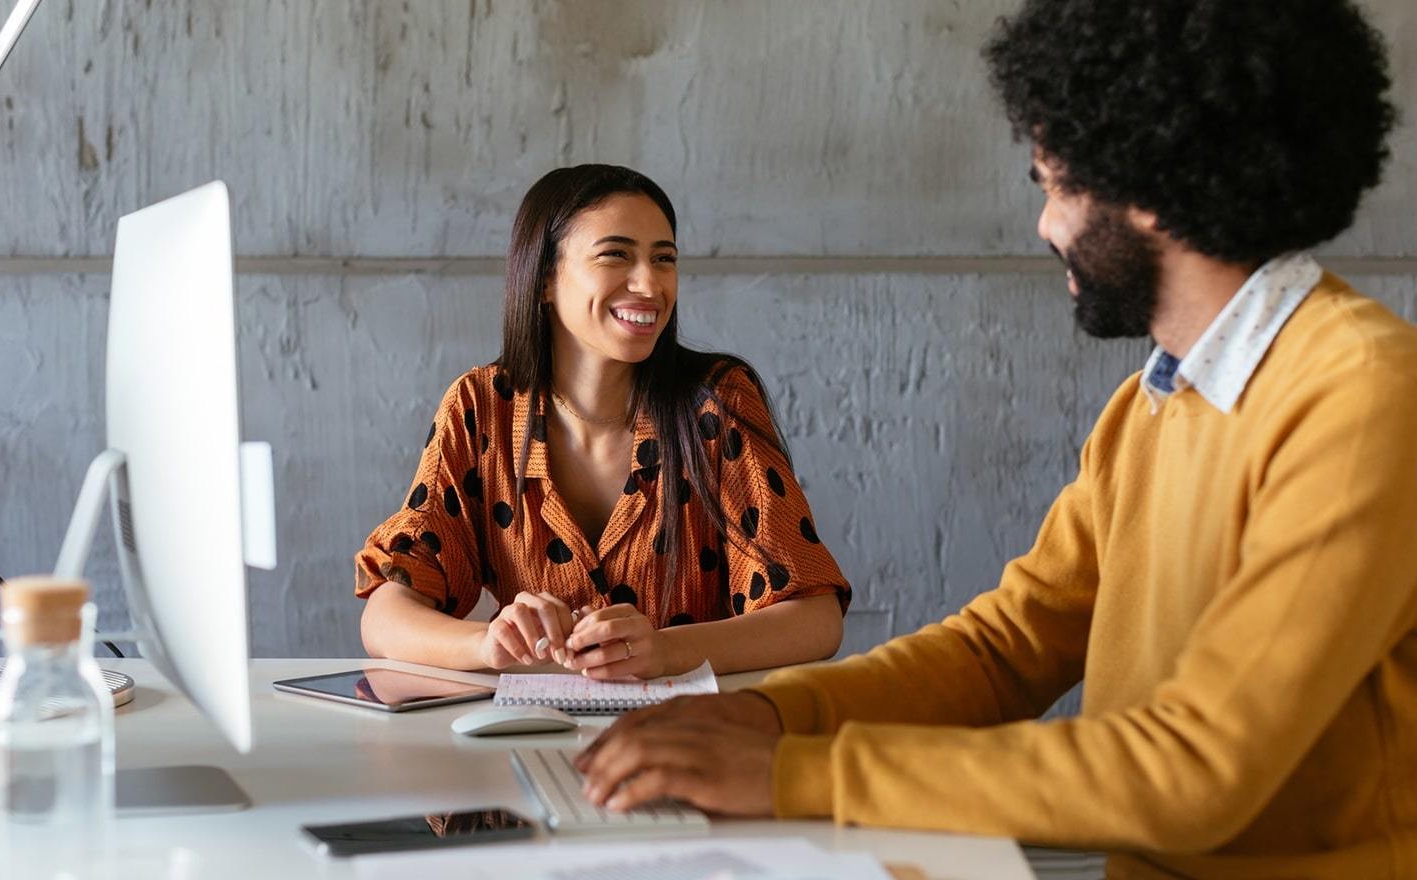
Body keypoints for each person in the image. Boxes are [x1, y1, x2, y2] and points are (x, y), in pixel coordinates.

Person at [576, 2, 1417, 876]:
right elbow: (1004, 650)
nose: (1045, 226)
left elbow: (1200, 768)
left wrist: (793, 772)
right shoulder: (1151, 406)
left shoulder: (1362, 397)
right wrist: (772, 716)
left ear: (1151, 192)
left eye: (1055, 185)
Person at [355, 164, 848, 680]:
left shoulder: (716, 401)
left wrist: (663, 651)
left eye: (664, 258)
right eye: (616, 254)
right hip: (534, 731)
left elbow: (816, 619)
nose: (650, 283)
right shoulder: (481, 407)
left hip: (691, 739)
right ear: (545, 278)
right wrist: (489, 642)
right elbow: (385, 616)